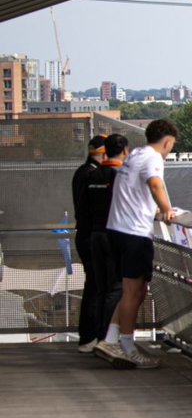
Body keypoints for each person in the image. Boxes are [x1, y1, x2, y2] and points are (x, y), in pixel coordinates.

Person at [95, 119, 180, 369]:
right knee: (134, 292)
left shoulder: (135, 155)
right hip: (133, 233)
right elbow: (154, 184)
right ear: (166, 141)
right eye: (171, 145)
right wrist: (167, 210)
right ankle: (127, 347)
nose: (169, 150)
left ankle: (110, 339)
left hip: (117, 229)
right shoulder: (153, 157)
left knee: (136, 290)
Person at [72, 134, 123, 353]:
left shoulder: (83, 173)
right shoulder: (96, 174)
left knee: (94, 285)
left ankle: (90, 336)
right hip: (98, 233)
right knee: (99, 286)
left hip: (87, 233)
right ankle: (94, 336)